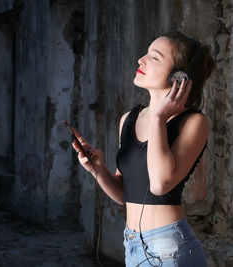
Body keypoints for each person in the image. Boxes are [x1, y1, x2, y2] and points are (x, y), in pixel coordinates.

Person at [70, 31, 215, 266]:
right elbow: (123, 194)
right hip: (132, 244)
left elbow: (160, 184)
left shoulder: (194, 122)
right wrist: (97, 169)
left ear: (179, 76)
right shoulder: (129, 119)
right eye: (146, 54)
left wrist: (159, 117)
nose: (141, 60)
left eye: (155, 57)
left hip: (169, 248)